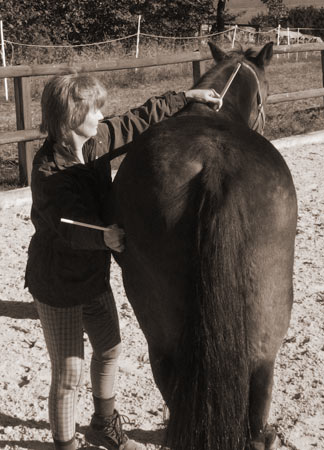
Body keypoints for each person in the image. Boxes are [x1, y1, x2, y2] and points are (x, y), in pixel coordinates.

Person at [25, 74, 221, 450]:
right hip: (58, 281)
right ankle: (66, 445)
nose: (101, 115)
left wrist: (186, 96)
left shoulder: (95, 141)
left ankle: (103, 424)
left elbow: (137, 119)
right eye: (93, 109)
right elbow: (67, 224)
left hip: (93, 276)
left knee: (110, 349)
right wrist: (101, 236)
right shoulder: (49, 170)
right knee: (68, 374)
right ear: (70, 118)